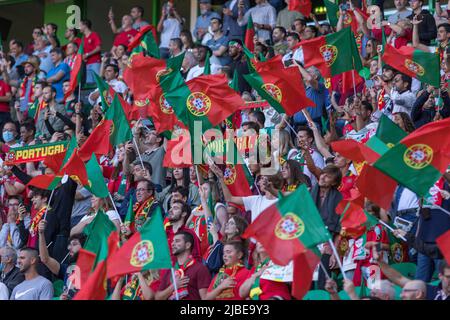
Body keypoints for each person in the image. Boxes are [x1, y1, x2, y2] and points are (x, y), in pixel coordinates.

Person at [156, 231, 211, 300]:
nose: (172, 244)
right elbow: (157, 297)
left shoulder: (200, 268)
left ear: (188, 245)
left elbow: (205, 298)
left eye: (177, 241)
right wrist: (174, 286)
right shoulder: (170, 270)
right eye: (173, 241)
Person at [38, 220, 86, 300]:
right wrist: (41, 234)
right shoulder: (68, 268)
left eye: (74, 244)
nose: (69, 248)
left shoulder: (94, 268)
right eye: (69, 245)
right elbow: (45, 259)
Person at [80, 20, 102, 84]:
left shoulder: (94, 35)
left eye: (80, 26)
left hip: (95, 62)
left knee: (98, 82)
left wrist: (87, 54)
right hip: (87, 63)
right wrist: (84, 57)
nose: (79, 28)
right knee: (89, 83)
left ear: (85, 25)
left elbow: (98, 48)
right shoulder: (83, 38)